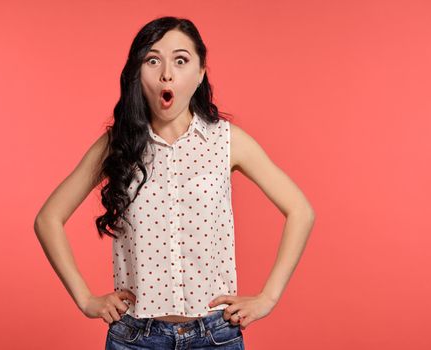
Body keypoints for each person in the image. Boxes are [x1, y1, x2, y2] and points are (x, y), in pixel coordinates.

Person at [34, 16, 315, 349]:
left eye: (181, 61)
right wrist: (85, 299)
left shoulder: (227, 141)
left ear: (199, 74)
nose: (167, 73)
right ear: (138, 73)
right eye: (153, 60)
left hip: (214, 336)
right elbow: (48, 219)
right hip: (136, 337)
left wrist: (268, 297)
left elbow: (301, 210)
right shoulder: (118, 145)